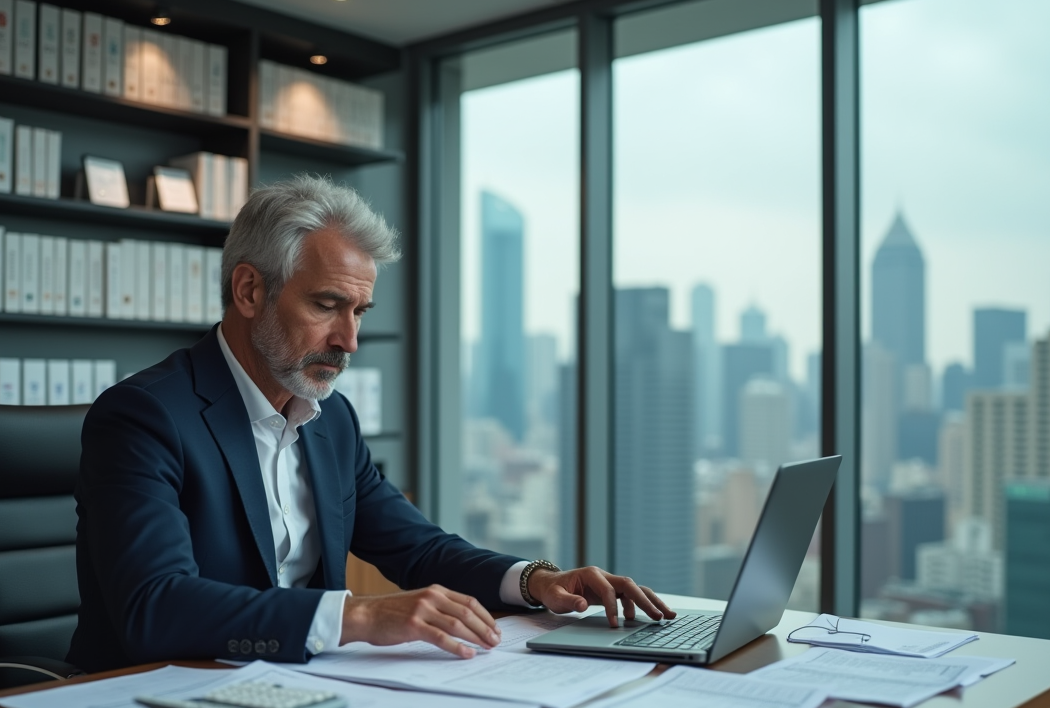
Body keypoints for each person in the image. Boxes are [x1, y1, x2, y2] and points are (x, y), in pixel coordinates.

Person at [67, 175, 675, 673]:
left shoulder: (331, 420)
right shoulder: (144, 415)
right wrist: (356, 616)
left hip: (295, 690)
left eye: (359, 311)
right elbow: (154, 605)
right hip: (148, 703)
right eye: (327, 305)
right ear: (249, 291)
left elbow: (418, 548)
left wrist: (536, 580)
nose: (349, 340)